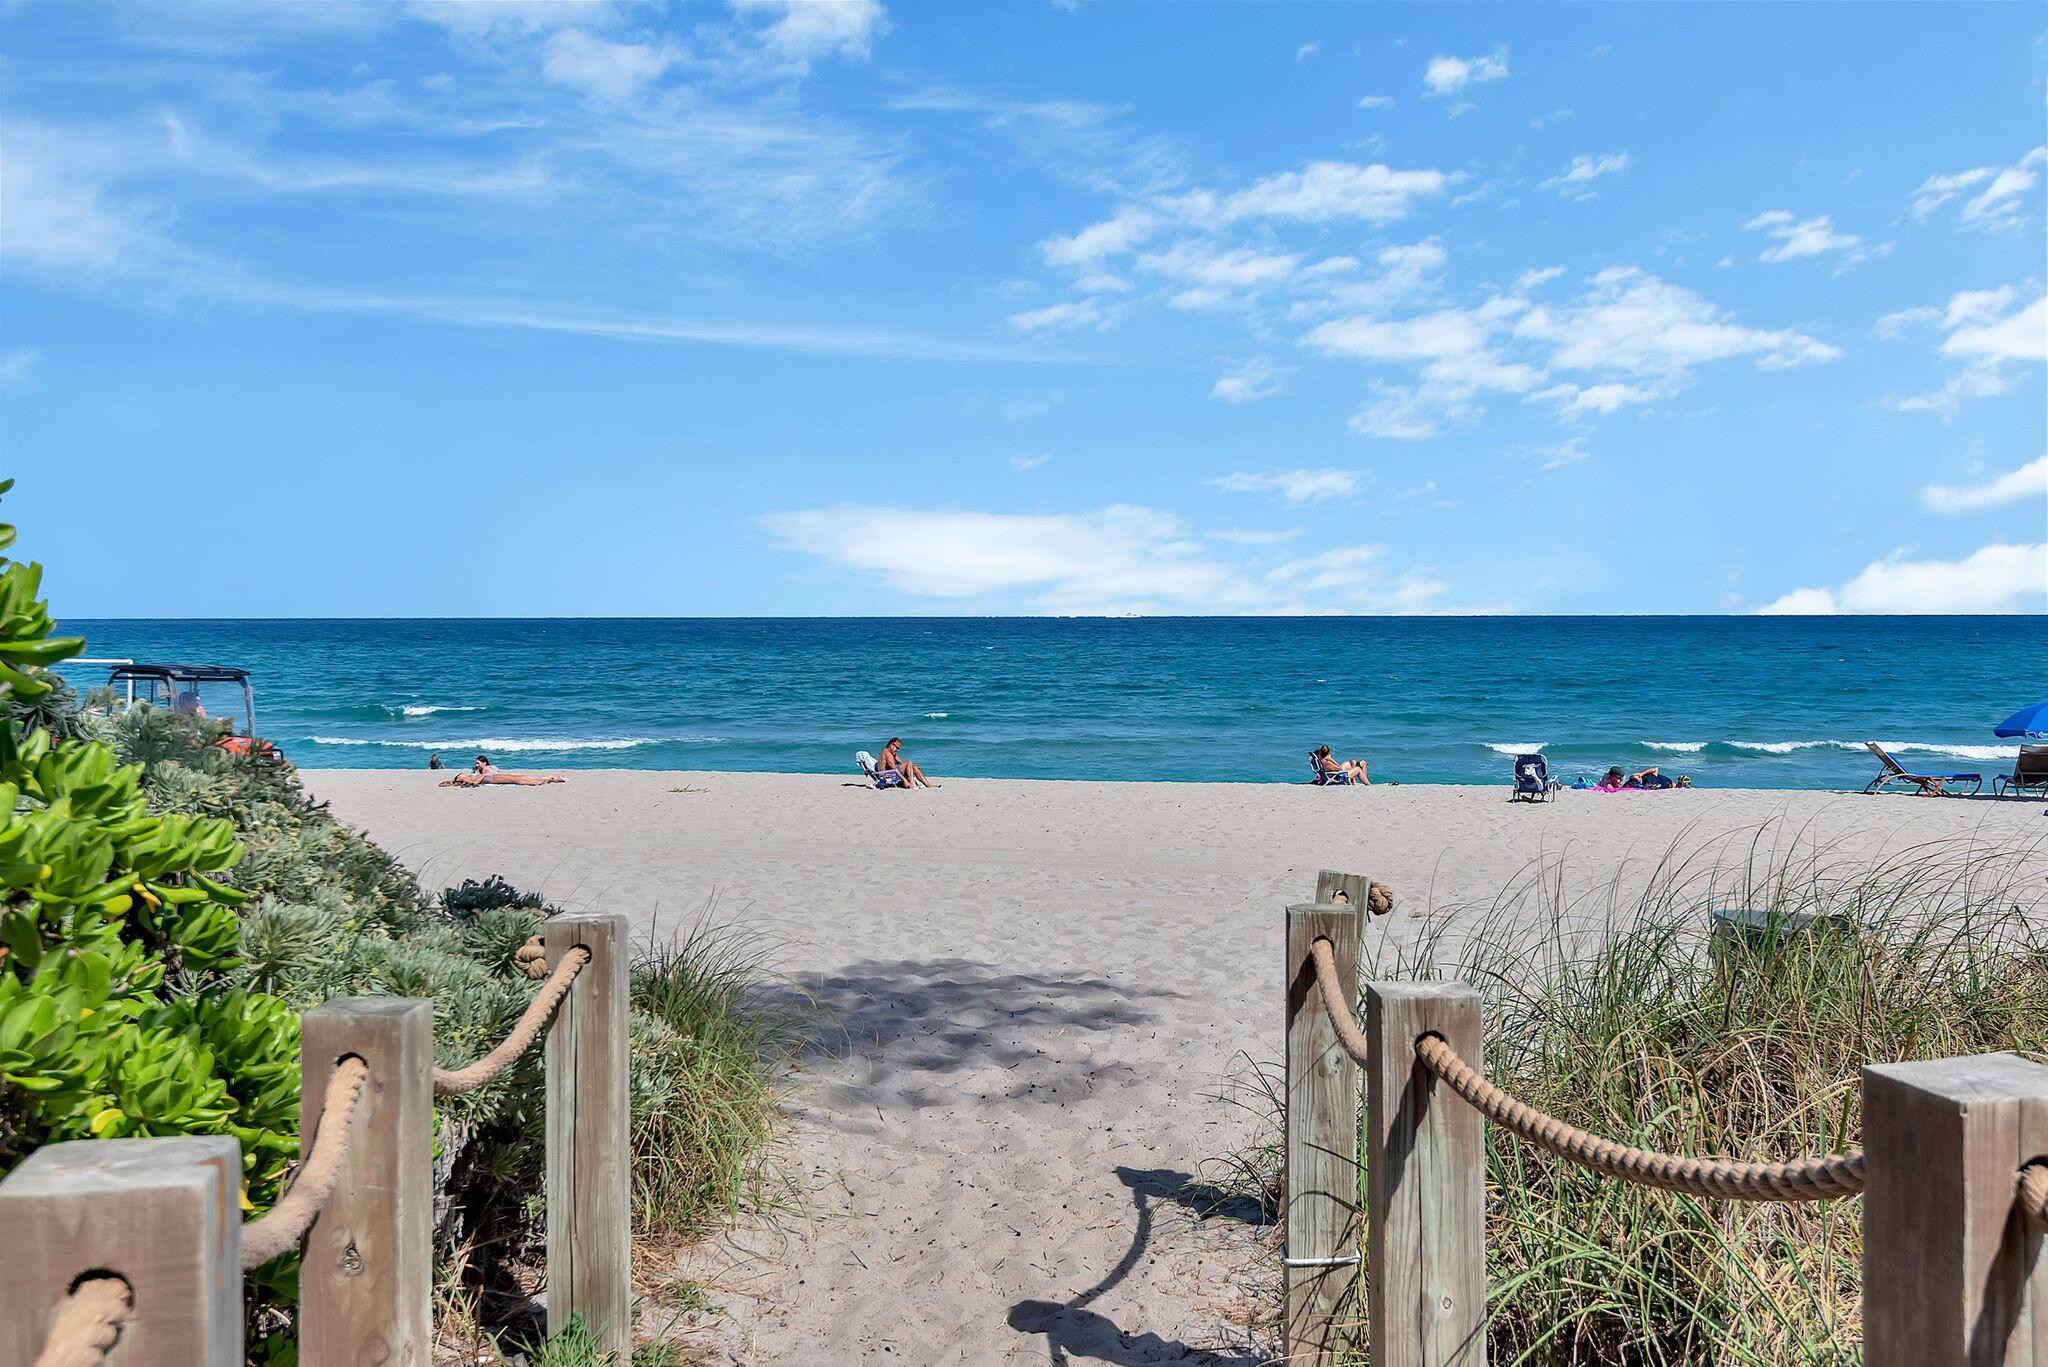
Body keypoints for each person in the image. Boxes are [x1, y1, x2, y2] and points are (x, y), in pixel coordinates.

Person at [441, 753, 566, 787]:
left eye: (478, 763)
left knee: (522, 779)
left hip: (497, 777)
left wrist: (480, 775)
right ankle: (552, 778)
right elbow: (475, 782)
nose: (476, 765)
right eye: (476, 763)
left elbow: (477, 780)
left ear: (484, 762)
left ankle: (551, 778)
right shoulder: (472, 776)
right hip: (497, 777)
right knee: (522, 779)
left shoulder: (481, 771)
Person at [875, 737, 939, 789]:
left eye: (898, 749)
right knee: (909, 762)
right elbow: (894, 768)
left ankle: (928, 785)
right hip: (887, 775)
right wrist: (904, 780)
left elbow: (902, 764)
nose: (897, 750)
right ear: (891, 745)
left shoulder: (892, 753)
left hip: (892, 773)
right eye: (897, 748)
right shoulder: (886, 752)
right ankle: (912, 784)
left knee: (914, 767)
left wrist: (912, 767)